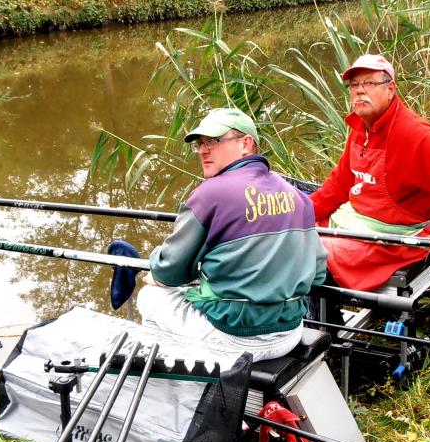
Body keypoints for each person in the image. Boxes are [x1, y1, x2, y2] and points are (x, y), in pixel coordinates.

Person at [137, 107, 326, 361]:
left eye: (214, 141)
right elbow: (318, 273)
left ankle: (170, 383)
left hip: (234, 337)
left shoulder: (210, 193)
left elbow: (171, 270)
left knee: (150, 296)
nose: (203, 150)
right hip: (290, 332)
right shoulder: (295, 195)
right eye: (200, 143)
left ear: (246, 144)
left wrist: (155, 270)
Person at [310, 54, 430, 292]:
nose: (360, 91)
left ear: (390, 89)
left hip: (394, 240)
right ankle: (317, 318)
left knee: (309, 256)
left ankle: (322, 323)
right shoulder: (360, 127)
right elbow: (340, 185)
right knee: (290, 238)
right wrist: (303, 213)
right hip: (358, 223)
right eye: (354, 85)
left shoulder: (411, 133)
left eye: (369, 83)